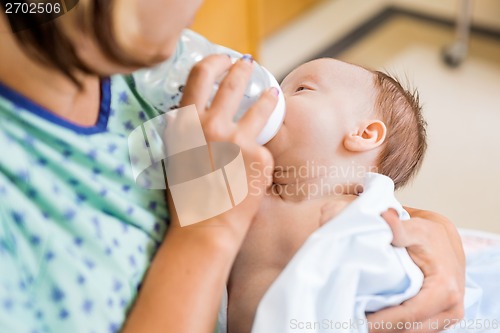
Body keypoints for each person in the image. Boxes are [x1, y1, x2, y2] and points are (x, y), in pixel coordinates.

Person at [0, 1, 464, 333]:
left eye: (300, 91)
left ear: (364, 135)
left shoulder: (353, 206)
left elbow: (379, 243)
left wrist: (438, 238)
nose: (197, 13)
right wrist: (207, 233)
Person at [225, 57, 430, 332]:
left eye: (301, 89)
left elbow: (400, 289)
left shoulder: (370, 213)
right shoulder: (248, 187)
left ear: (364, 133)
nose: (272, 98)